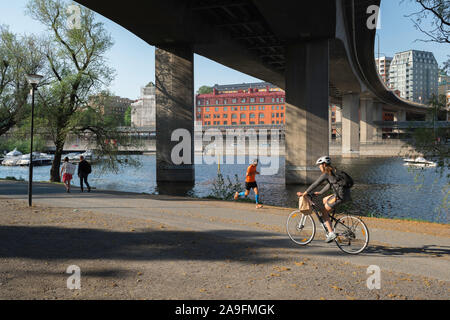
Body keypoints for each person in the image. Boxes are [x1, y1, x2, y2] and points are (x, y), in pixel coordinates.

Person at [297, 156, 352, 243]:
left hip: (339, 196)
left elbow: (316, 183)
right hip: (346, 195)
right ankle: (328, 220)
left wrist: (305, 193)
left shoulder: (326, 173)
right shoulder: (334, 171)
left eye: (319, 165)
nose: (319, 167)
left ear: (323, 164)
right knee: (324, 199)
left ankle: (331, 233)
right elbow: (331, 184)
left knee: (323, 212)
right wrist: (321, 192)